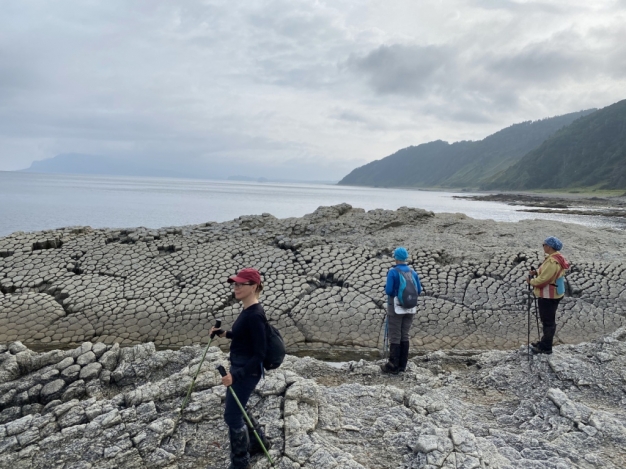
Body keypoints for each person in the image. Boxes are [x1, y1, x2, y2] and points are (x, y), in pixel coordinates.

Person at [210, 268, 270, 469]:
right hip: (240, 367)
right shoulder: (247, 310)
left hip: (247, 371)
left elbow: (260, 354)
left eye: (240, 284)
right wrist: (223, 334)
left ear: (253, 287)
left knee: (232, 416)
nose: (235, 287)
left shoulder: (255, 315)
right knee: (239, 408)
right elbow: (242, 336)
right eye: (234, 284)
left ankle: (240, 463)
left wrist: (235, 376)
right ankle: (258, 443)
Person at [381, 247, 422, 374]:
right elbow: (419, 291)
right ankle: (402, 366)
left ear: (396, 257)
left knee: (395, 335)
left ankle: (393, 365)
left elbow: (388, 291)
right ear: (406, 258)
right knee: (404, 335)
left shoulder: (393, 272)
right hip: (410, 307)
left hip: (396, 308)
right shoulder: (413, 272)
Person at [527, 236, 570, 355]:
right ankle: (544, 342)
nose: (543, 247)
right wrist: (536, 272)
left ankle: (546, 347)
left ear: (549, 247)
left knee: (548, 322)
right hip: (555, 293)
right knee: (547, 320)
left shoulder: (552, 262)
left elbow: (544, 280)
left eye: (544, 245)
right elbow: (547, 273)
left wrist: (531, 281)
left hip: (549, 295)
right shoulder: (556, 257)